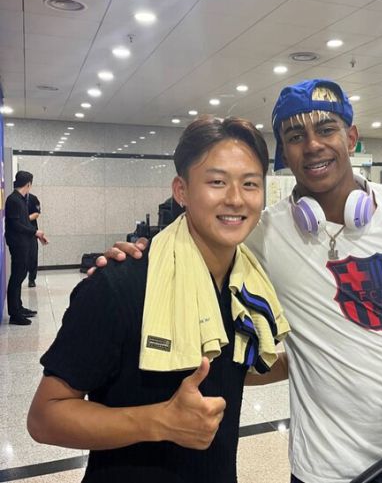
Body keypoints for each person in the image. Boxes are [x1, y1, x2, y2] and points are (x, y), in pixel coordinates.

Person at [99, 79, 382, 483]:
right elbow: (196, 244)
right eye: (296, 136)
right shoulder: (263, 233)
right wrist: (135, 256)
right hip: (320, 467)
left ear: (351, 137)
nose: (313, 145)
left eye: (326, 129)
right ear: (284, 153)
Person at [27, 117, 290, 483]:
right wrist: (159, 421)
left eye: (250, 183)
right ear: (181, 190)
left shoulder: (246, 288)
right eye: (217, 182)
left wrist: (305, 364)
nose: (235, 198)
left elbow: (227, 371)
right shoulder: (120, 284)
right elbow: (44, 417)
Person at [4, 171, 48, 325]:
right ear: (28, 184)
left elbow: (24, 223)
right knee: (17, 277)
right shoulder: (13, 200)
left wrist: (37, 234)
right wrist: (35, 232)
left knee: (21, 275)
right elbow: (16, 225)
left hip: (24, 242)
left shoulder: (21, 199)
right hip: (17, 244)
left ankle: (19, 307)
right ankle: (14, 314)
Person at [27, 191, 41, 287]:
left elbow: (36, 213)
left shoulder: (33, 198)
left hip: (32, 231)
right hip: (18, 232)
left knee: (33, 256)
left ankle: (32, 279)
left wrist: (24, 219)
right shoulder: (14, 199)